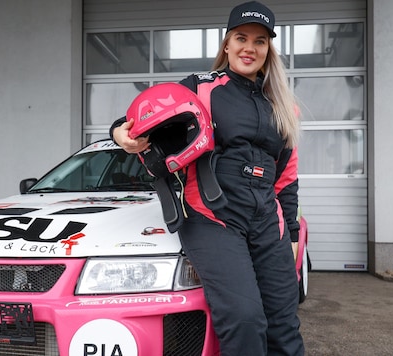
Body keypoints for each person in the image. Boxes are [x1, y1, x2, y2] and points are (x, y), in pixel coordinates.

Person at [109, 1, 304, 355]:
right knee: (245, 318)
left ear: (268, 50)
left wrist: (290, 233)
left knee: (284, 321)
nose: (250, 47)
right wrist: (120, 133)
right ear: (226, 44)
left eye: (260, 41)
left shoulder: (284, 106)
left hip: (267, 218)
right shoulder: (199, 87)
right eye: (241, 38)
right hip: (213, 214)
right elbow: (138, 118)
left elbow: (287, 177)